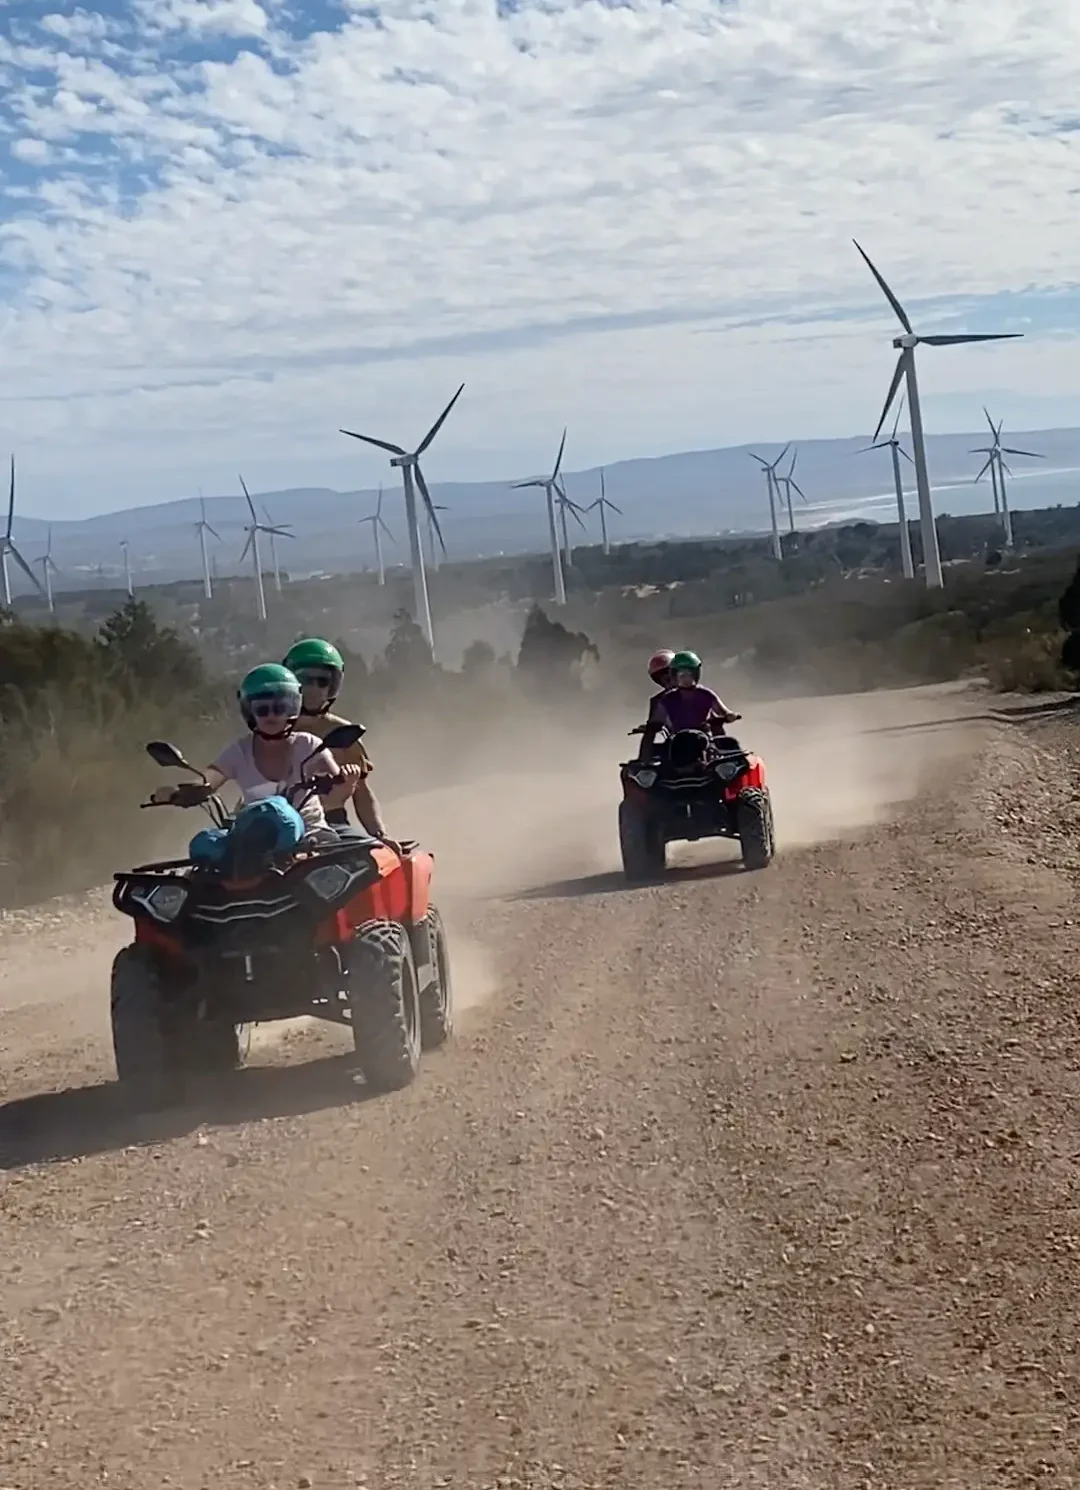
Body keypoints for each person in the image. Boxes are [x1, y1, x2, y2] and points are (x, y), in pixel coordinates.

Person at [150, 663, 361, 835]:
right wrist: (179, 792)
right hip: (259, 842)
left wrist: (347, 780)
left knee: (356, 868)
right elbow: (209, 779)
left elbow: (336, 782)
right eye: (262, 709)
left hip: (312, 836)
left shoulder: (309, 745)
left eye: (279, 708)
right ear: (250, 712)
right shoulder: (239, 750)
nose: (271, 715)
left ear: (292, 709)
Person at [281, 637, 396, 844]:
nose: (314, 688)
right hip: (280, 830)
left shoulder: (345, 734)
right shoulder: (273, 730)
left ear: (333, 686)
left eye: (323, 681)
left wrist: (379, 834)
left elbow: (362, 793)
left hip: (332, 826)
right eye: (305, 680)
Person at [637, 650, 739, 759]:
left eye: (687, 674)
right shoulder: (663, 700)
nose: (668, 680)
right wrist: (650, 727)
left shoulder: (705, 694)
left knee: (731, 748)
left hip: (705, 737)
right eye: (680, 675)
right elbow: (654, 723)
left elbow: (721, 711)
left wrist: (728, 715)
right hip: (676, 740)